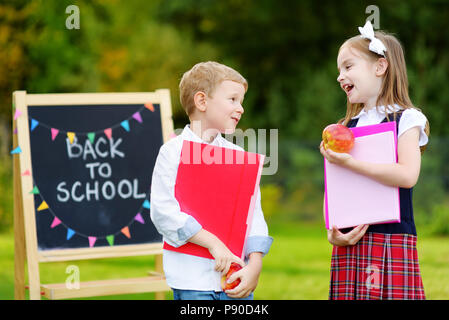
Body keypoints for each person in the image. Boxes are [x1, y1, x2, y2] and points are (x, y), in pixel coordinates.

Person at [320, 21, 429, 300]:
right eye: (338, 70)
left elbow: (407, 175)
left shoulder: (407, 119)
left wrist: (350, 163)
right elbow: (334, 188)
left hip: (392, 238)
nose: (340, 76)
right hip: (350, 240)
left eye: (348, 66)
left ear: (380, 67)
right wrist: (333, 231)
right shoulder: (343, 127)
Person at [150, 61, 273, 300]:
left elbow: (253, 214)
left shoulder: (238, 157)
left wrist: (255, 265)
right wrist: (213, 243)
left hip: (236, 276)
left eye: (242, 102)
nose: (241, 109)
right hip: (191, 280)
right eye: (233, 99)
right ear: (202, 101)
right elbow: (163, 212)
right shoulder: (172, 152)